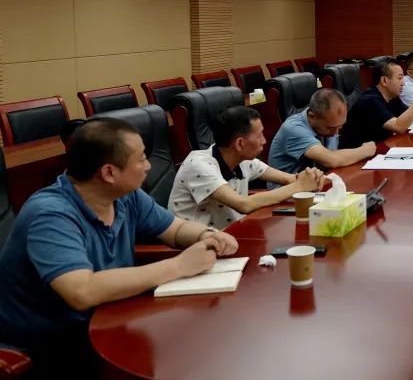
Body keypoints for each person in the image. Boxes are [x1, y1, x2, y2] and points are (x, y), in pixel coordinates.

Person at [0, 119, 239, 376]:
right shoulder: (50, 214)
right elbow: (81, 291)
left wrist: (206, 235)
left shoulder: (126, 196)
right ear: (109, 173)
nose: (149, 165)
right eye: (141, 159)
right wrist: (179, 265)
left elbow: (175, 229)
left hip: (108, 320)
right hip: (48, 350)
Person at [169, 106, 327, 229]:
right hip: (195, 248)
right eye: (259, 135)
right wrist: (300, 185)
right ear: (240, 143)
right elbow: (244, 204)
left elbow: (290, 179)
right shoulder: (199, 166)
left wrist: (311, 176)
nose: (264, 141)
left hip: (231, 237)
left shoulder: (243, 160)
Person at [268, 88, 376, 175]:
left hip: (316, 185)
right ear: (312, 116)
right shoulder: (293, 129)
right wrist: (365, 150)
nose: (336, 133)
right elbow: (331, 160)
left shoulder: (330, 123)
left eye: (340, 127)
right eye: (330, 128)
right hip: (286, 192)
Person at [340, 59, 413, 147]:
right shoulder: (369, 101)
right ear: (384, 80)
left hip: (380, 148)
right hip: (357, 157)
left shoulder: (392, 97)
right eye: (399, 78)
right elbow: (398, 127)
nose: (403, 83)